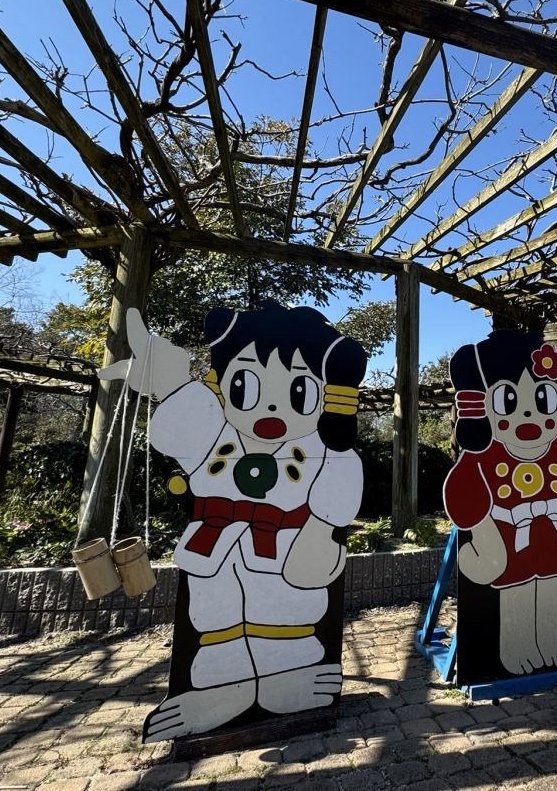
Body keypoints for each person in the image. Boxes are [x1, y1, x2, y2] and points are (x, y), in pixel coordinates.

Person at [99, 303, 366, 742]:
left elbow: (339, 485)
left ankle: (292, 679)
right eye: (245, 384)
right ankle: (215, 692)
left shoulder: (318, 447)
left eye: (300, 391)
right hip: (215, 549)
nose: (273, 407)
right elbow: (177, 428)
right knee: (214, 615)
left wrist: (319, 534)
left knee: (289, 611)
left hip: (286, 547)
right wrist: (168, 383)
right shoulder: (215, 435)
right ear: (222, 385)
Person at [443, 331, 557, 675]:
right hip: (510, 532)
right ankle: (516, 644)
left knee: (556, 587)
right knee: (517, 590)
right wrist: (484, 537)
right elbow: (464, 489)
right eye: (508, 401)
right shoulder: (486, 453)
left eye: (542, 398)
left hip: (556, 531)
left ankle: (555, 640)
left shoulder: (555, 446)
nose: (527, 412)